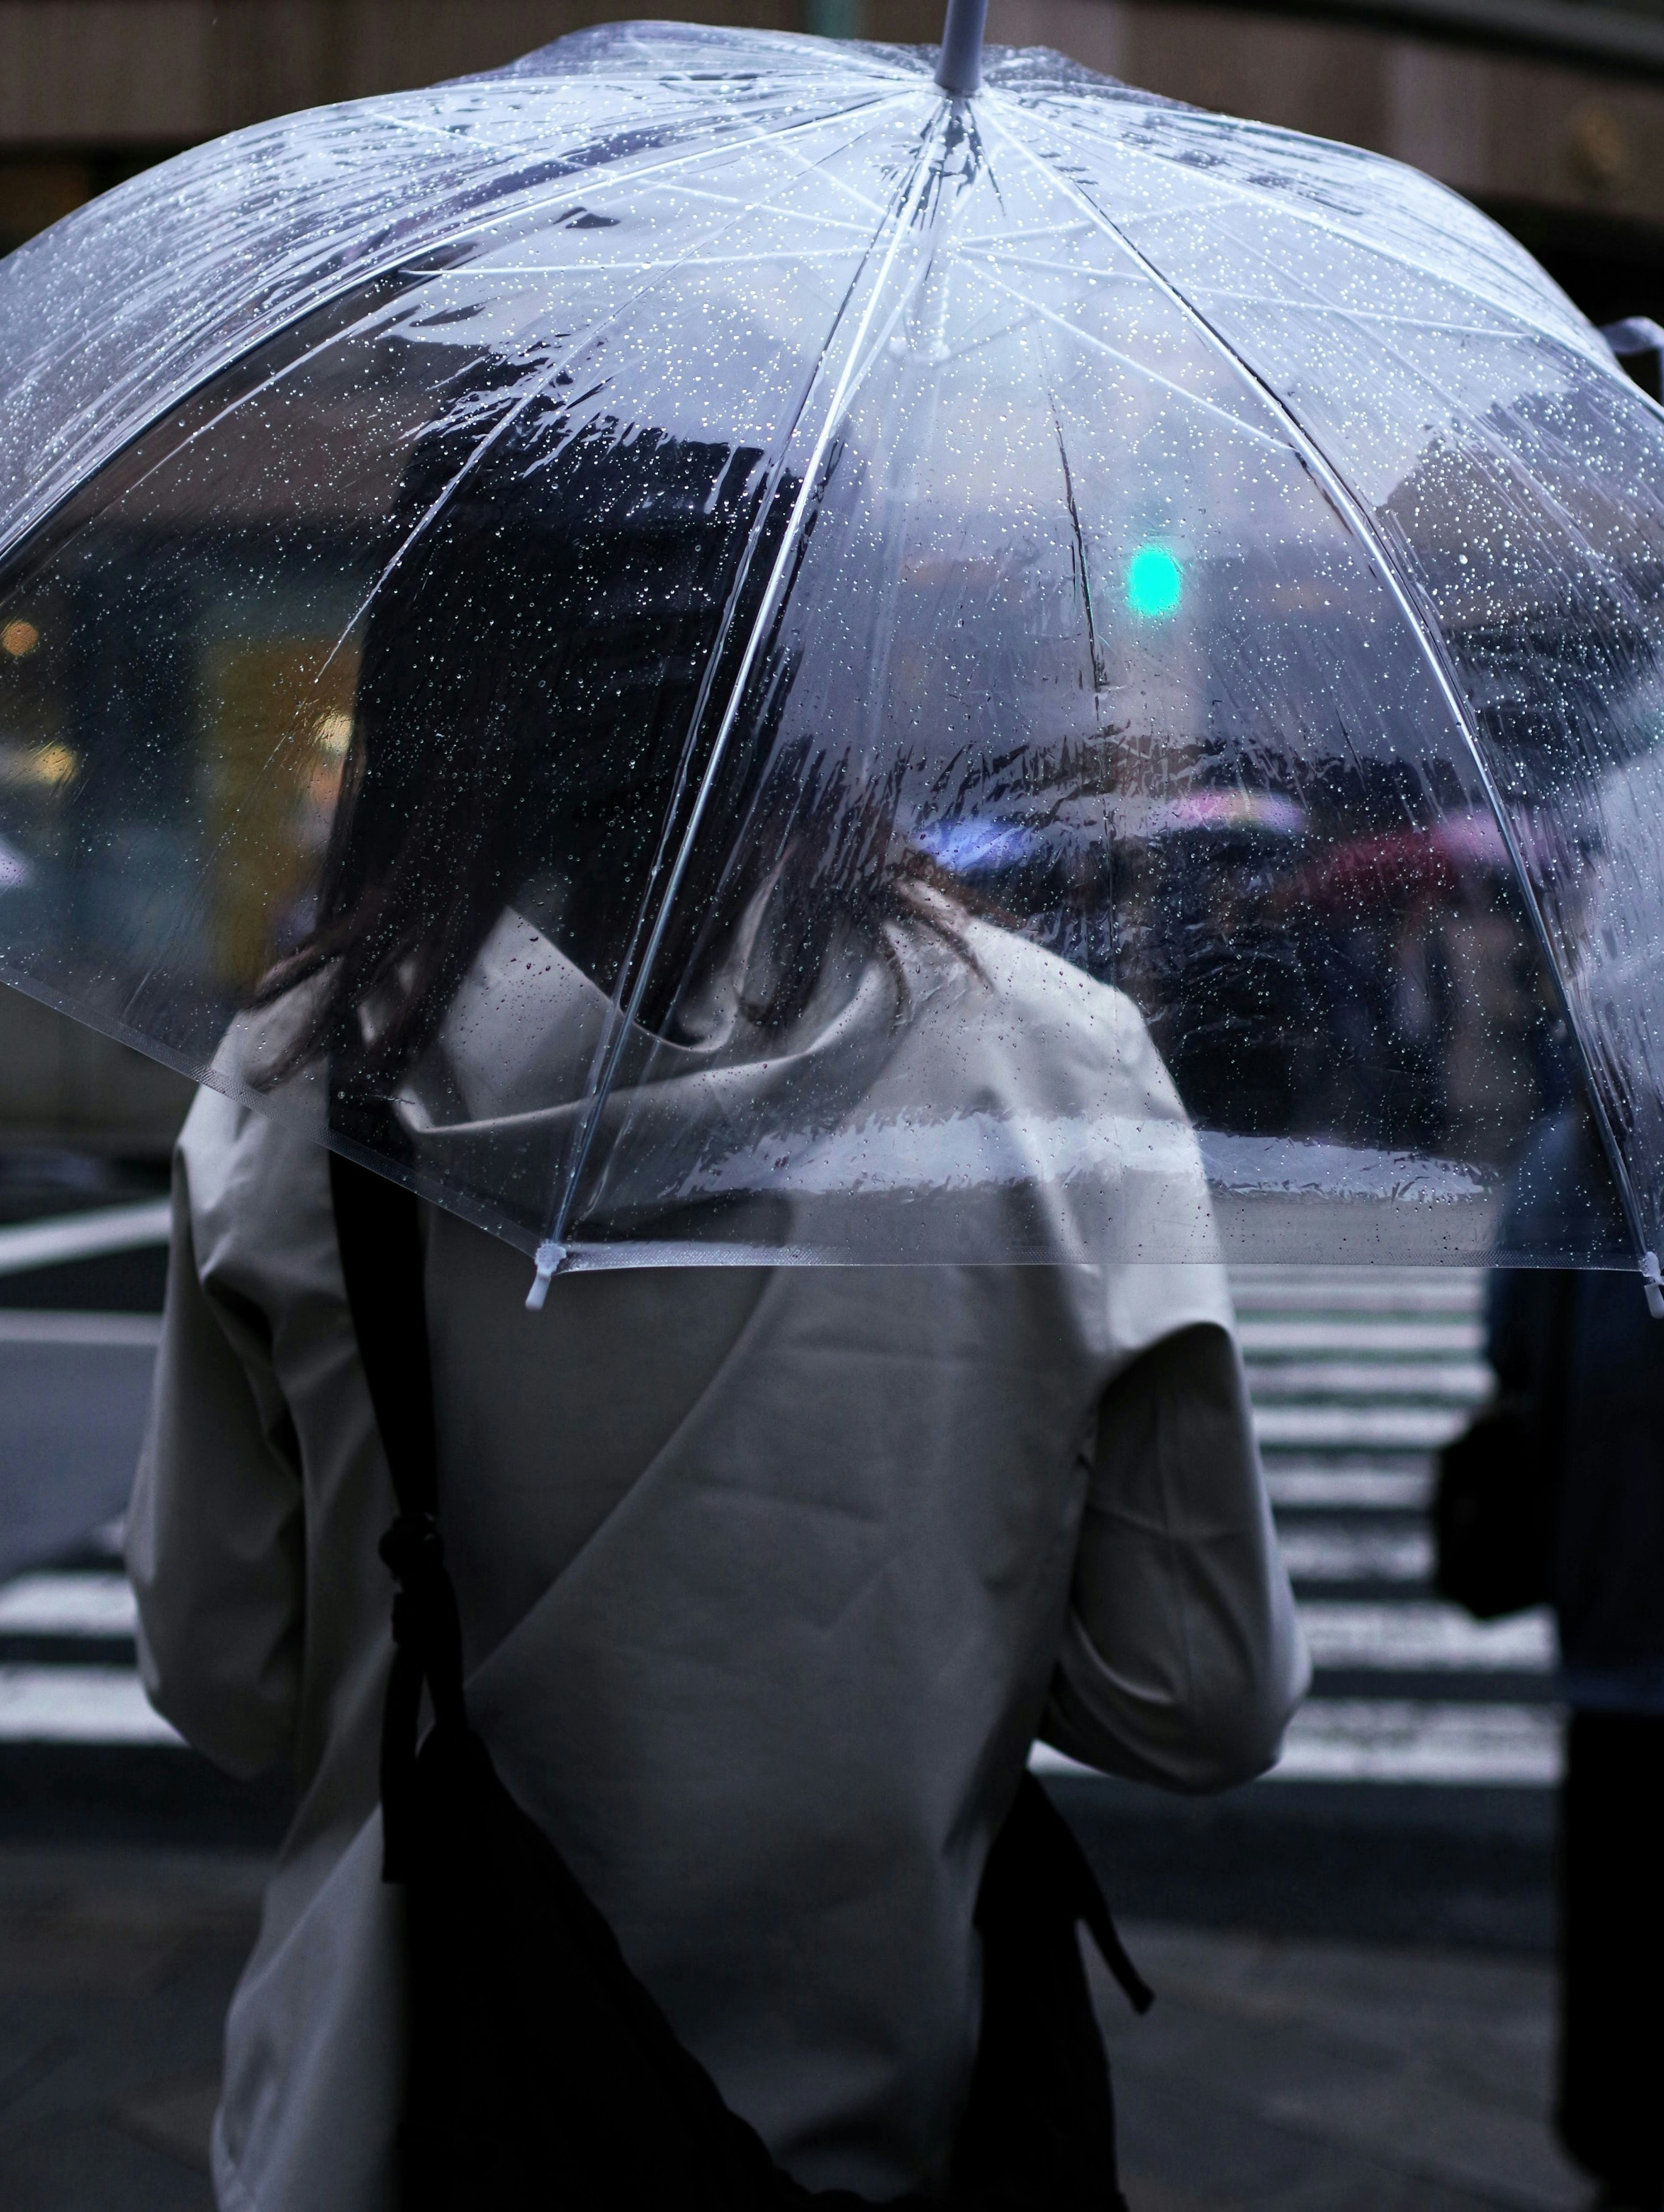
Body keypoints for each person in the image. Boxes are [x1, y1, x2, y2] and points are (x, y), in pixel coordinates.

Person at [128, 414, 1307, 2211]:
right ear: (794, 680)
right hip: (890, 2125)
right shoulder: (1052, 1069)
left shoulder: (303, 1084)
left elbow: (227, 1677)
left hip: (408, 2114)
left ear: (449, 668)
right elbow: (1202, 1700)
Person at [1487, 1143, 1664, 2212]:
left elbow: (1510, 1344)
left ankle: (1631, 2158)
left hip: (1619, 1608)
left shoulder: (1579, 1160)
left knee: (1626, 1930)